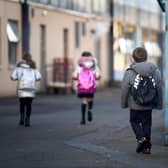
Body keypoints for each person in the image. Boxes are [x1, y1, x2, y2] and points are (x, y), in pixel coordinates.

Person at [121, 47, 163, 154]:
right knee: (147, 124)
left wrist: (124, 103)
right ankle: (146, 147)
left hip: (135, 104)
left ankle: (141, 139)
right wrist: (159, 104)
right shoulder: (155, 70)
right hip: (149, 104)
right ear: (146, 57)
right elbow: (159, 87)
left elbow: (125, 88)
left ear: (133, 58)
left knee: (134, 121)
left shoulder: (130, 71)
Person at [11, 53, 41, 127]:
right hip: (31, 89)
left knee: (22, 104)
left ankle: (21, 118)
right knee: (29, 105)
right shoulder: (33, 67)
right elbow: (39, 77)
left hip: (21, 88)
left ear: (23, 59)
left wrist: (18, 77)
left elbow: (13, 77)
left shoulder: (19, 67)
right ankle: (27, 120)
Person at [73, 51, 101, 125]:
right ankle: (90, 109)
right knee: (90, 99)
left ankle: (83, 118)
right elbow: (98, 76)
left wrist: (77, 79)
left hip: (82, 87)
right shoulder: (94, 65)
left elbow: (75, 76)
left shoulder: (79, 65)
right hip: (91, 86)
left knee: (84, 101)